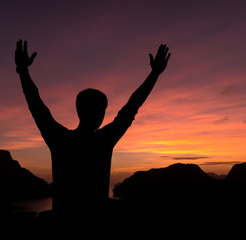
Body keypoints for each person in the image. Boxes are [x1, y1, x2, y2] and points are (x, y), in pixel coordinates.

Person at [15, 40, 170, 218]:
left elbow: (36, 105)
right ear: (95, 112)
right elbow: (132, 106)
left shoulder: (60, 139)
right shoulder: (103, 140)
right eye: (102, 110)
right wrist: (155, 74)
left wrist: (23, 71)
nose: (102, 115)